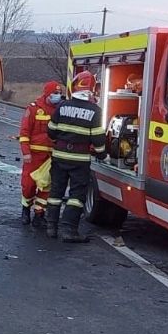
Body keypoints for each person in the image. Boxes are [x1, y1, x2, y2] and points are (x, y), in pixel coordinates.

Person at [46, 71, 107, 242]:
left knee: (56, 191)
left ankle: (51, 227)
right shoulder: (95, 111)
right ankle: (69, 230)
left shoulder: (62, 106)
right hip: (80, 160)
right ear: (92, 88)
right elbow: (98, 138)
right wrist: (102, 154)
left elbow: (51, 131)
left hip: (59, 156)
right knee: (76, 195)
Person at [18, 81, 63, 230]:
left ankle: (39, 215)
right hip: (34, 155)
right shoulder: (33, 109)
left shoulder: (60, 110)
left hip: (51, 156)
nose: (57, 96)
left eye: (59, 93)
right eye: (55, 93)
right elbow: (24, 132)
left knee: (46, 186)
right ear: (47, 94)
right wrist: (26, 152)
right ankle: (26, 209)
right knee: (28, 185)